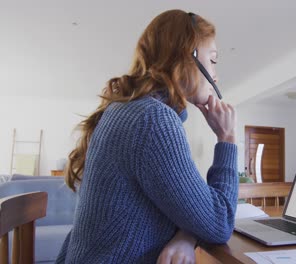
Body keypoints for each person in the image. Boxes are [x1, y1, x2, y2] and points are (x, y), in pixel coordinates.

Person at [56, 9, 238, 264]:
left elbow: (187, 206)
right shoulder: (153, 121)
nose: (216, 75)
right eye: (213, 60)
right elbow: (220, 222)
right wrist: (227, 138)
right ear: (188, 56)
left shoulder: (131, 110)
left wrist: (186, 234)